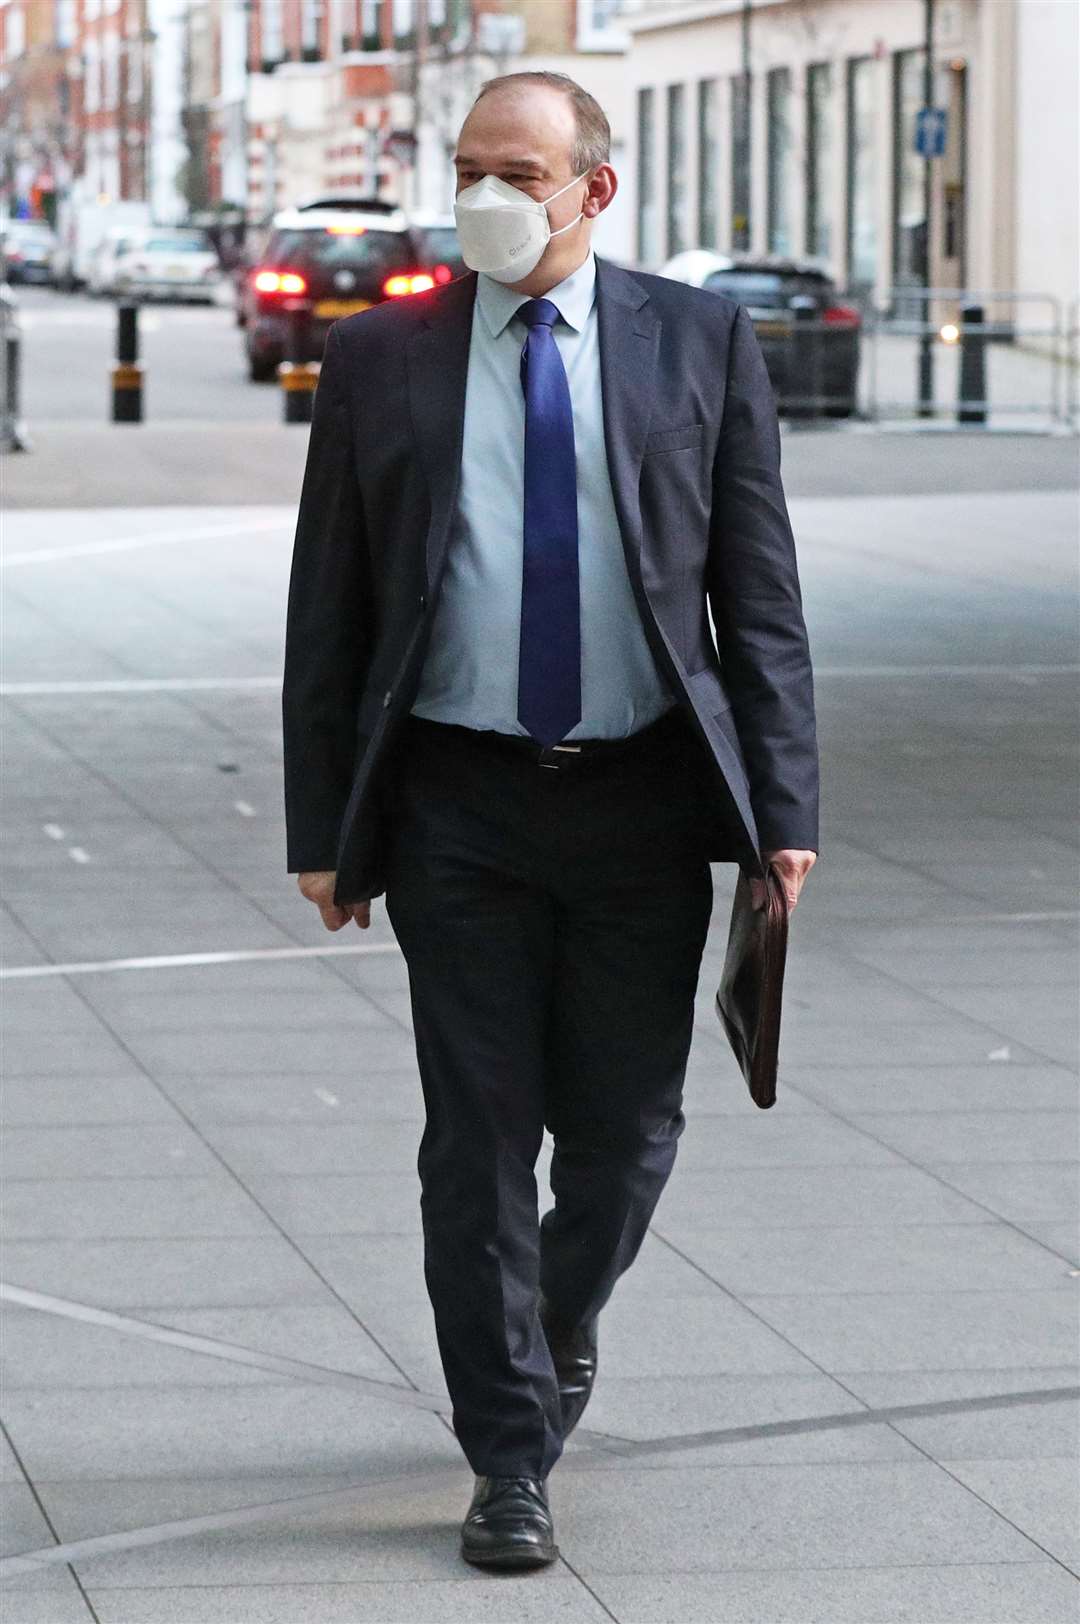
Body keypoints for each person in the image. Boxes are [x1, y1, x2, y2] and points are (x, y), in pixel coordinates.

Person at [282, 70, 818, 1571]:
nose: (485, 197)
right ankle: (508, 1452)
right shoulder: (381, 356)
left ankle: (555, 1323)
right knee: (475, 1143)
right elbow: (329, 609)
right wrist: (325, 826)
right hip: (457, 804)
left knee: (629, 1136)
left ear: (597, 187)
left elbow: (756, 596)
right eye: (466, 169)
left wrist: (785, 809)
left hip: (644, 800)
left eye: (517, 170)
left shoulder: (698, 340)